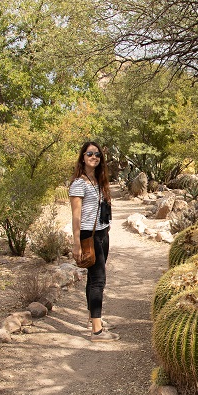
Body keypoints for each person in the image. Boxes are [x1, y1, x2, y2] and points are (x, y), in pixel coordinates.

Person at [68, 141, 119, 341]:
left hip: (102, 233)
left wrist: (107, 226)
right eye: (90, 154)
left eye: (97, 155)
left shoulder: (98, 181)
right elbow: (76, 216)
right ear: (83, 157)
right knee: (99, 279)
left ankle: (93, 317)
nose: (94, 157)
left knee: (93, 278)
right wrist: (76, 243)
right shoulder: (78, 183)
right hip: (88, 235)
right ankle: (97, 331)